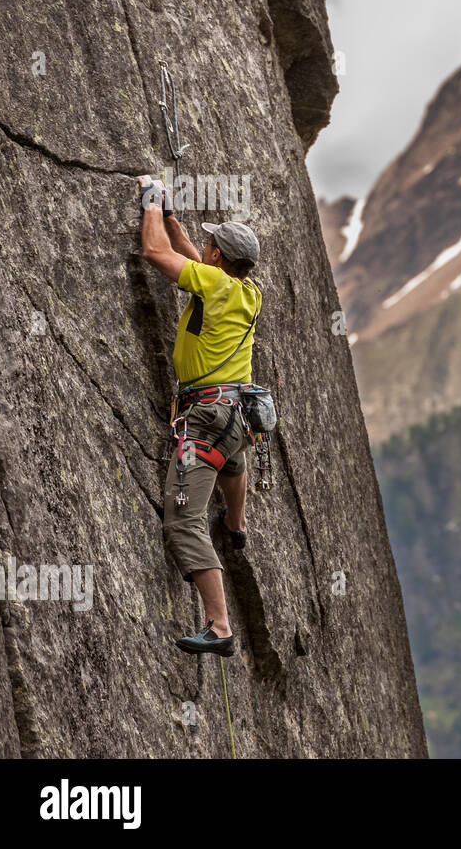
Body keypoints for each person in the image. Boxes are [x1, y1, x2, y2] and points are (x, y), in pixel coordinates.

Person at [138, 176, 262, 657]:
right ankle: (235, 525)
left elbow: (156, 254)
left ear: (217, 258)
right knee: (232, 462)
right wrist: (173, 217)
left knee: (184, 521)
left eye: (209, 244)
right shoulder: (247, 291)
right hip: (238, 418)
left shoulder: (211, 281)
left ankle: (219, 626)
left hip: (206, 416)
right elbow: (194, 258)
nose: (203, 247)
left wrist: (151, 203)